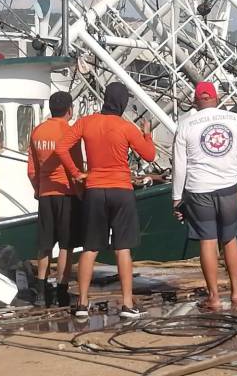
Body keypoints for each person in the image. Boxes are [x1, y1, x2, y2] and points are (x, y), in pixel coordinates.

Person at [55, 82, 155, 318]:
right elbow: (150, 155)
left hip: (95, 190)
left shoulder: (86, 122)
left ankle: (82, 303)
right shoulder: (125, 127)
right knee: (123, 248)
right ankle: (127, 303)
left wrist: (77, 173)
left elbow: (61, 148)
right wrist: (147, 133)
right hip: (121, 189)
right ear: (121, 102)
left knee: (90, 248)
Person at [171, 81, 237, 308]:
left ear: (196, 101)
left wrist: (177, 197)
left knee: (207, 240)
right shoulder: (234, 120)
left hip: (198, 190)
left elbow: (180, 165)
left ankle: (214, 297)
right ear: (216, 98)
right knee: (229, 237)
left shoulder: (186, 124)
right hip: (229, 187)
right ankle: (236, 292)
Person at [27, 91, 84, 307]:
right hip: (66, 193)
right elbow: (76, 166)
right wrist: (81, 191)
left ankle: (41, 291)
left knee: (44, 244)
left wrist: (38, 189)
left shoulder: (37, 131)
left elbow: (32, 169)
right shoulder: (69, 133)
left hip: (45, 194)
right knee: (65, 245)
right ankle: (61, 289)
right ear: (69, 109)